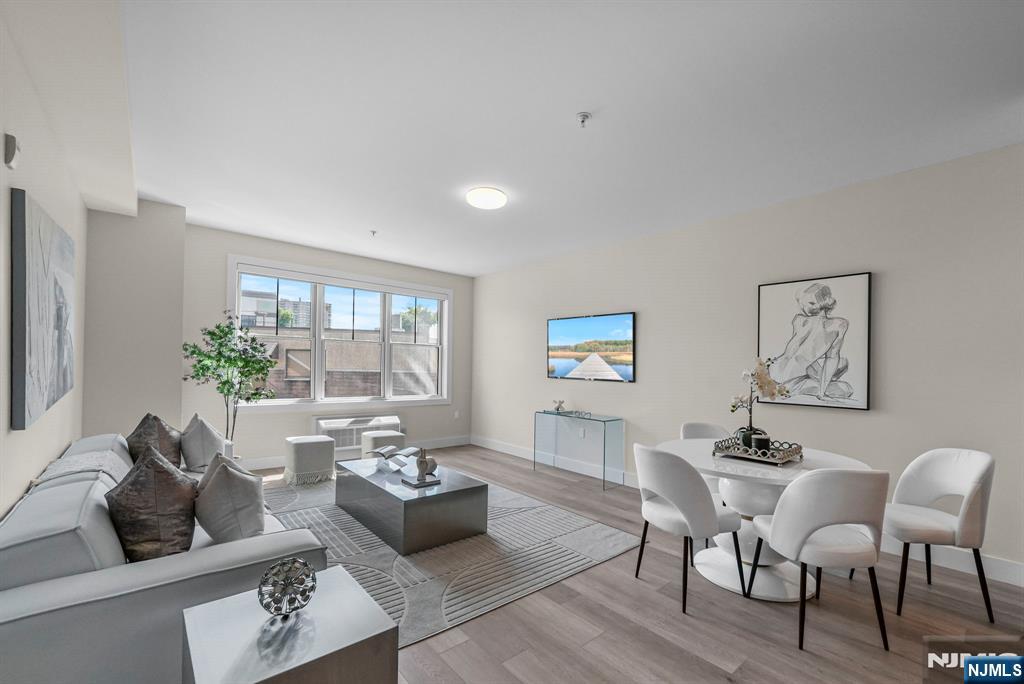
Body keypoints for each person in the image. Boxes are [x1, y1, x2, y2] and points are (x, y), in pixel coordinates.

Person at [770, 283, 853, 403]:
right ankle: (829, 379)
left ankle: (828, 378)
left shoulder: (799, 320)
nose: (804, 308)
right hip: (789, 384)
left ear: (824, 301)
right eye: (803, 303)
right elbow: (831, 358)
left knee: (839, 365)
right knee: (846, 388)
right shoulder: (838, 324)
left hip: (771, 373)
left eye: (810, 303)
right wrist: (821, 392)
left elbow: (802, 356)